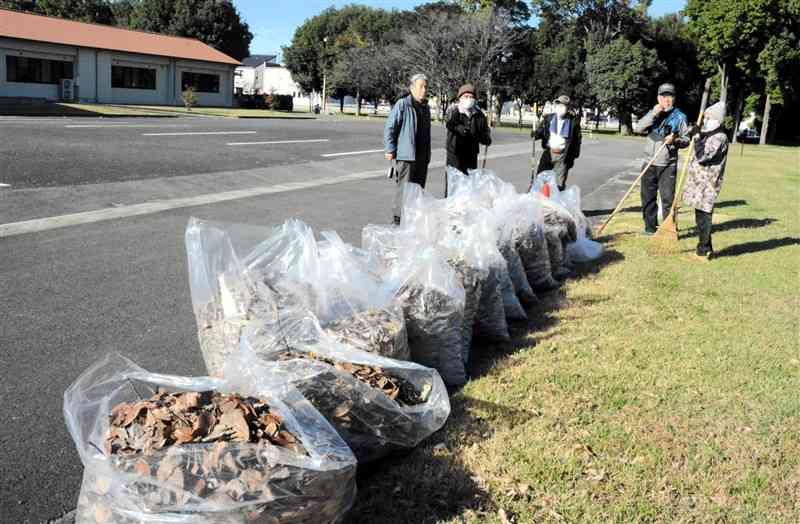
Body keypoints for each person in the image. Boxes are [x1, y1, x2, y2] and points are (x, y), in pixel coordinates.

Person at [633, 83, 691, 235]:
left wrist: (675, 140)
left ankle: (669, 231)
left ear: (674, 98)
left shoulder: (680, 117)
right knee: (647, 198)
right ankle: (650, 228)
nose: (667, 100)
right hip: (649, 162)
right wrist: (653, 114)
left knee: (667, 200)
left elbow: (686, 140)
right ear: (658, 98)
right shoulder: (653, 113)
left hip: (667, 164)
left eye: (670, 96)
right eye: (664, 96)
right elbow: (638, 128)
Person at [682, 101, 729, 260]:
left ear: (716, 119)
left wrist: (696, 138)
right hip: (699, 183)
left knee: (704, 217)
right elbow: (694, 136)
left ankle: (703, 250)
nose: (705, 120)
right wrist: (694, 132)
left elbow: (703, 156)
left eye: (708, 117)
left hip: (707, 184)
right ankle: (706, 248)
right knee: (700, 216)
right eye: (705, 117)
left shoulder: (719, 137)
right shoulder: (708, 133)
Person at [384, 73, 432, 225]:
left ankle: (412, 224)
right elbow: (391, 127)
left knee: (418, 192)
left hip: (422, 158)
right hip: (407, 157)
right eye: (421, 87)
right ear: (412, 87)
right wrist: (390, 149)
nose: (424, 90)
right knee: (404, 193)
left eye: (426, 87)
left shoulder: (426, 108)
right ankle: (397, 223)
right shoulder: (403, 104)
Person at [444, 83, 492, 195]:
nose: (469, 99)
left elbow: (484, 132)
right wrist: (458, 127)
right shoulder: (454, 110)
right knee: (454, 184)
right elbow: (449, 123)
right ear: (460, 98)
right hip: (455, 153)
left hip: (471, 154)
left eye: (471, 96)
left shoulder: (479, 115)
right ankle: (450, 208)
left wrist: (485, 138)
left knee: (469, 185)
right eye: (466, 96)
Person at [532, 95, 582, 191]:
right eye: (558, 105)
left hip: (563, 156)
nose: (560, 108)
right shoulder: (549, 119)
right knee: (541, 180)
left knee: (558, 185)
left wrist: (572, 158)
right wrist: (536, 134)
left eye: (563, 106)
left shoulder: (573, 122)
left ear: (568, 108)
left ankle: (555, 204)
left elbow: (577, 141)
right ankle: (541, 203)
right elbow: (543, 131)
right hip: (548, 153)